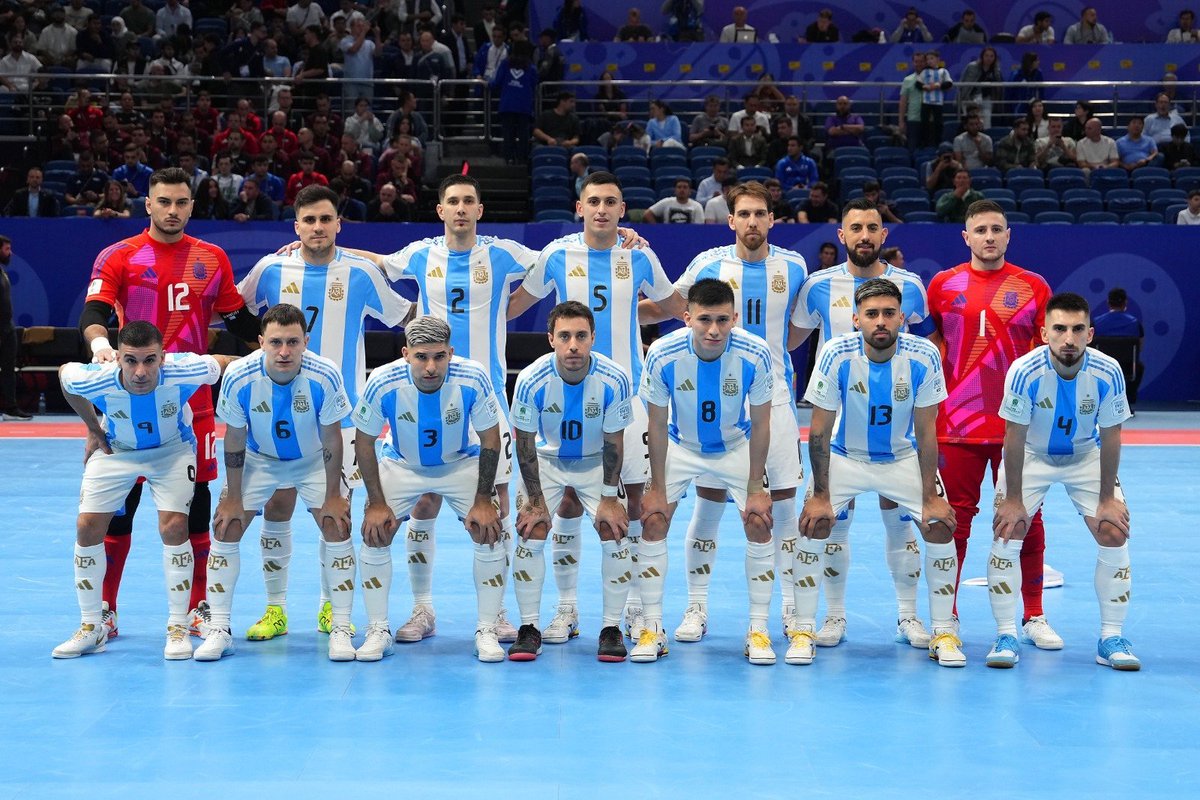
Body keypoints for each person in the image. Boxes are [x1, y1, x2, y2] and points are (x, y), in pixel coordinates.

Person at [78, 167, 262, 641]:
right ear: (148, 204)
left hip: (191, 405)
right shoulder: (120, 255)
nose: (173, 210)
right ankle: (105, 611)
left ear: (192, 207)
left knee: (195, 505)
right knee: (118, 508)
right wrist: (100, 345)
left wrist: (282, 345)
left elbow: (239, 321)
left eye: (181, 202)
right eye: (164, 202)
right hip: (129, 400)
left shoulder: (211, 257)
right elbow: (95, 312)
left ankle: (198, 607)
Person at [510, 171, 680, 645]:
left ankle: (632, 609)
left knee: (633, 500)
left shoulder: (639, 255)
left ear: (622, 210)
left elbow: (674, 306)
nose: (602, 209)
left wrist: (631, 313)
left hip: (629, 394)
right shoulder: (556, 255)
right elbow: (514, 304)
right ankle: (566, 610)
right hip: (568, 390)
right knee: (566, 497)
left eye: (610, 202)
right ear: (579, 208)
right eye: (594, 202)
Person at [237, 184, 412, 641]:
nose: (318, 227)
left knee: (335, 513)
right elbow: (233, 311)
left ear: (339, 224)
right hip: (277, 414)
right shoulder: (271, 268)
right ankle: (275, 610)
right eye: (309, 220)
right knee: (277, 505)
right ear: (296, 227)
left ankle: (330, 608)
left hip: (342, 419)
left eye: (325, 219)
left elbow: (406, 317)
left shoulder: (361, 273)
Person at [639, 182, 807, 646]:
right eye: (744, 214)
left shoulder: (794, 266)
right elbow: (676, 308)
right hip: (714, 398)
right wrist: (620, 309)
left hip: (773, 400)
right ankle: (696, 607)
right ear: (730, 220)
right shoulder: (708, 264)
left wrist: (771, 360)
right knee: (710, 504)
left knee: (780, 509)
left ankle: (791, 610)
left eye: (760, 213)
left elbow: (795, 330)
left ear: (772, 219)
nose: (752, 221)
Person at [789, 198, 933, 650]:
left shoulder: (910, 286)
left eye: (873, 227)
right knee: (833, 525)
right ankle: (833, 616)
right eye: (856, 228)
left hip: (896, 431)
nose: (865, 235)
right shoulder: (817, 286)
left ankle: (909, 617)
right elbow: (787, 340)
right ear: (842, 235)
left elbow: (928, 344)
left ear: (884, 234)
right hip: (838, 432)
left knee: (900, 523)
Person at [796, 279, 961, 667]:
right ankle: (811, 626)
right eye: (871, 314)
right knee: (815, 524)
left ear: (903, 318)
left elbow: (926, 431)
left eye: (889, 313)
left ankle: (938, 629)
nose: (881, 321)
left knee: (939, 526)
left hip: (901, 458)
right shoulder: (836, 353)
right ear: (856, 320)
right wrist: (820, 496)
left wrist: (931, 496)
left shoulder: (923, 355)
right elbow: (819, 431)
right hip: (845, 456)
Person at [52, 322, 231, 660]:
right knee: (87, 526)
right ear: (117, 357)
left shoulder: (184, 368)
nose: (140, 372)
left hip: (172, 451)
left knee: (174, 526)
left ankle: (178, 626)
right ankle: (91, 626)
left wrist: (274, 359)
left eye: (150, 360)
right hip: (116, 449)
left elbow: (224, 363)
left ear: (163, 357)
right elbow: (64, 376)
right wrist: (92, 426)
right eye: (131, 360)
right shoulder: (97, 376)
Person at [926, 199, 1060, 650]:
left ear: (1008, 235)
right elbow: (933, 346)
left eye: (996, 229)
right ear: (966, 237)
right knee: (952, 523)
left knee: (1027, 520)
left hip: (1016, 427)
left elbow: (1047, 355)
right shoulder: (943, 285)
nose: (989, 236)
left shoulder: (1034, 286)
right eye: (980, 230)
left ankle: (1034, 615)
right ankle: (946, 618)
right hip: (956, 425)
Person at [989, 292, 1138, 671]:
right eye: (1059, 329)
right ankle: (1006, 634)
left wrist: (1107, 499)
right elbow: (1013, 437)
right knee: (1008, 529)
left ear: (1090, 333)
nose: (1068, 338)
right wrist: (1013, 499)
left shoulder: (1108, 371)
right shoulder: (1024, 371)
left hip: (1085, 454)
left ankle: (1111, 638)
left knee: (1113, 530)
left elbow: (1112, 436)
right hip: (1032, 455)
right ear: (1044, 333)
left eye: (1076, 329)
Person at [199, 304, 353, 661]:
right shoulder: (239, 375)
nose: (284, 351)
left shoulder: (325, 374)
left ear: (306, 342)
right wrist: (233, 497)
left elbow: (332, 437)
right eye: (276, 342)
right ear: (261, 342)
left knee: (337, 523)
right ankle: (221, 627)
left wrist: (333, 495)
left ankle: (340, 624)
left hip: (312, 459)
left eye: (293, 342)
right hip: (260, 459)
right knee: (226, 525)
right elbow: (234, 438)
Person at [352, 315, 509, 662]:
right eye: (421, 357)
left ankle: (487, 627)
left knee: (489, 529)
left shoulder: (473, 377)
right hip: (403, 464)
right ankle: (380, 628)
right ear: (406, 354)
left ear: (451, 353)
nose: (431, 367)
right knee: (375, 531)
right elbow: (364, 442)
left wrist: (483, 499)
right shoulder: (383, 381)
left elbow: (490, 439)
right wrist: (375, 502)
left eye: (439, 356)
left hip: (460, 462)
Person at [636, 278, 774, 663]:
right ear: (687, 318)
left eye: (722, 320)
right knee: (653, 520)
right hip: (682, 445)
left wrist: (755, 486)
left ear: (735, 318)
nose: (714, 330)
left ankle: (758, 629)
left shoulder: (755, 353)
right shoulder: (662, 353)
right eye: (704, 320)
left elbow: (762, 422)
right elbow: (656, 424)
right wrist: (657, 486)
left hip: (735, 446)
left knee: (759, 521)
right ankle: (652, 628)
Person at [508, 301, 634, 661]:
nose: (573, 345)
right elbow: (525, 444)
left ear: (593, 337)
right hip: (547, 462)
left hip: (596, 462)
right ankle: (529, 628)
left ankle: (610, 628)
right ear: (551, 339)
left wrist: (609, 498)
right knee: (531, 529)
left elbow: (614, 443)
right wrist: (535, 501)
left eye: (581, 336)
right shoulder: (530, 379)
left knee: (613, 529)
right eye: (564, 336)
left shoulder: (614, 379)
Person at [1092, 287, 1144, 407]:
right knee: (1139, 367)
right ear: (1125, 302)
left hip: (1102, 367)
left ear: (1108, 302)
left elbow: (1090, 347)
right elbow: (1139, 348)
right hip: (1127, 367)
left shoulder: (1096, 323)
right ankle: (1128, 402)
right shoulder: (1135, 323)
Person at [0, 236, 30, 420]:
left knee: (8, 368)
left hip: (7, 328)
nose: (10, 253)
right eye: (6, 249)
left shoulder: (2, 272)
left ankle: (10, 408)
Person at [917, 50, 953, 149]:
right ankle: (924, 143)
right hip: (926, 101)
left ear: (937, 59)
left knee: (938, 123)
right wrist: (924, 86)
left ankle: (938, 142)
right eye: (928, 59)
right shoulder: (924, 72)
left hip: (938, 102)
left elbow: (949, 83)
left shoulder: (943, 71)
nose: (929, 61)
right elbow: (918, 83)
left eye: (931, 58)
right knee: (924, 122)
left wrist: (939, 85)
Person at [898, 52, 926, 151]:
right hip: (913, 119)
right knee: (912, 148)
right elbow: (903, 102)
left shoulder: (933, 79)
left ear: (925, 62)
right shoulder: (907, 80)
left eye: (921, 61)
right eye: (916, 61)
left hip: (929, 120)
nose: (919, 64)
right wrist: (901, 121)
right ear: (913, 63)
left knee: (929, 149)